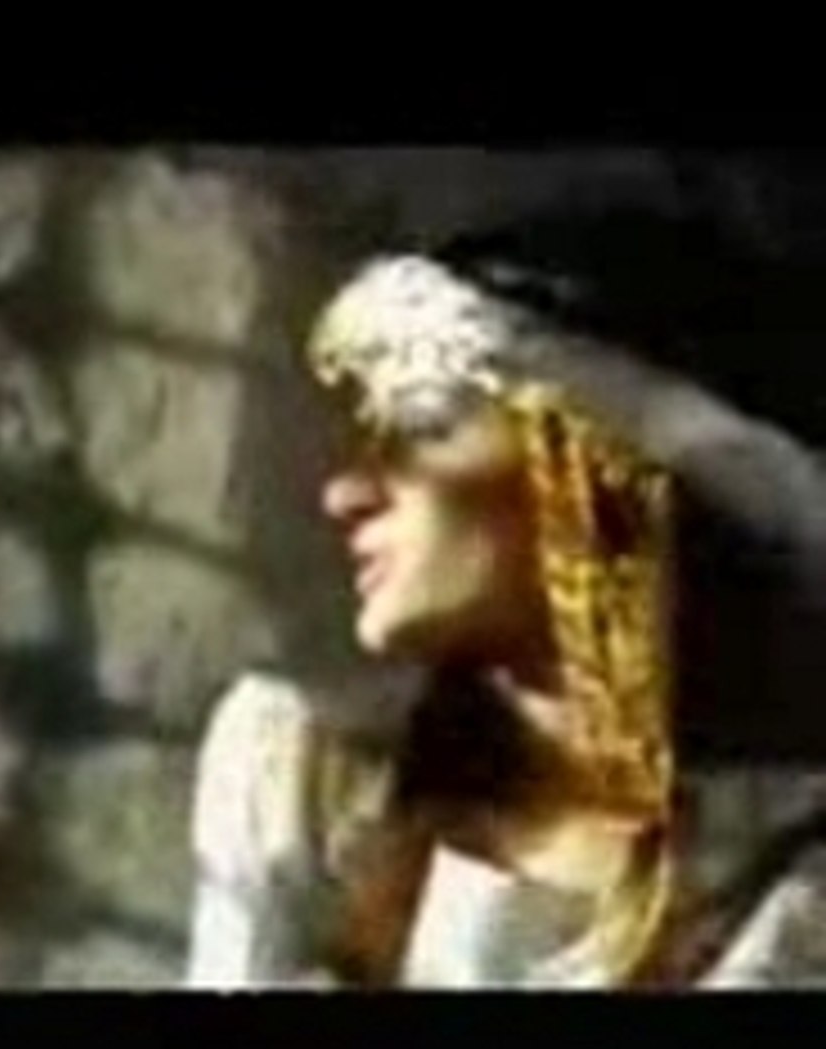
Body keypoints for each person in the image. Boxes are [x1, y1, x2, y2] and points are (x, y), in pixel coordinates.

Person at [186, 209, 826, 989]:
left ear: (598, 480)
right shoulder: (302, 774)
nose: (347, 494)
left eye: (424, 427)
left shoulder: (788, 884)